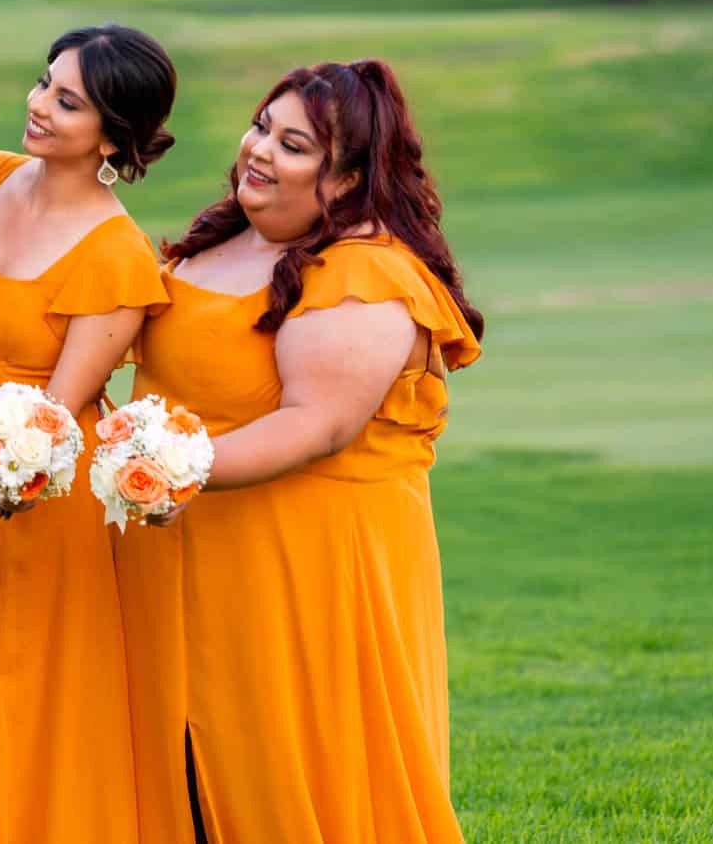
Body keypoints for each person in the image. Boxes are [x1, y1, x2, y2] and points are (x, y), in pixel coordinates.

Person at [114, 60, 483, 843]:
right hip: (188, 551)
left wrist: (165, 466)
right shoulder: (227, 236)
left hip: (301, 566)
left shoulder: (363, 273)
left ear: (348, 178)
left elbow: (315, 422)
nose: (258, 150)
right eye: (260, 127)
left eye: (293, 144)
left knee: (288, 764)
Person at [0, 25, 175, 844]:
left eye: (68, 100)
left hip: (38, 503)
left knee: (19, 706)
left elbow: (56, 419)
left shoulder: (118, 255)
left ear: (114, 137)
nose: (38, 104)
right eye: (45, 83)